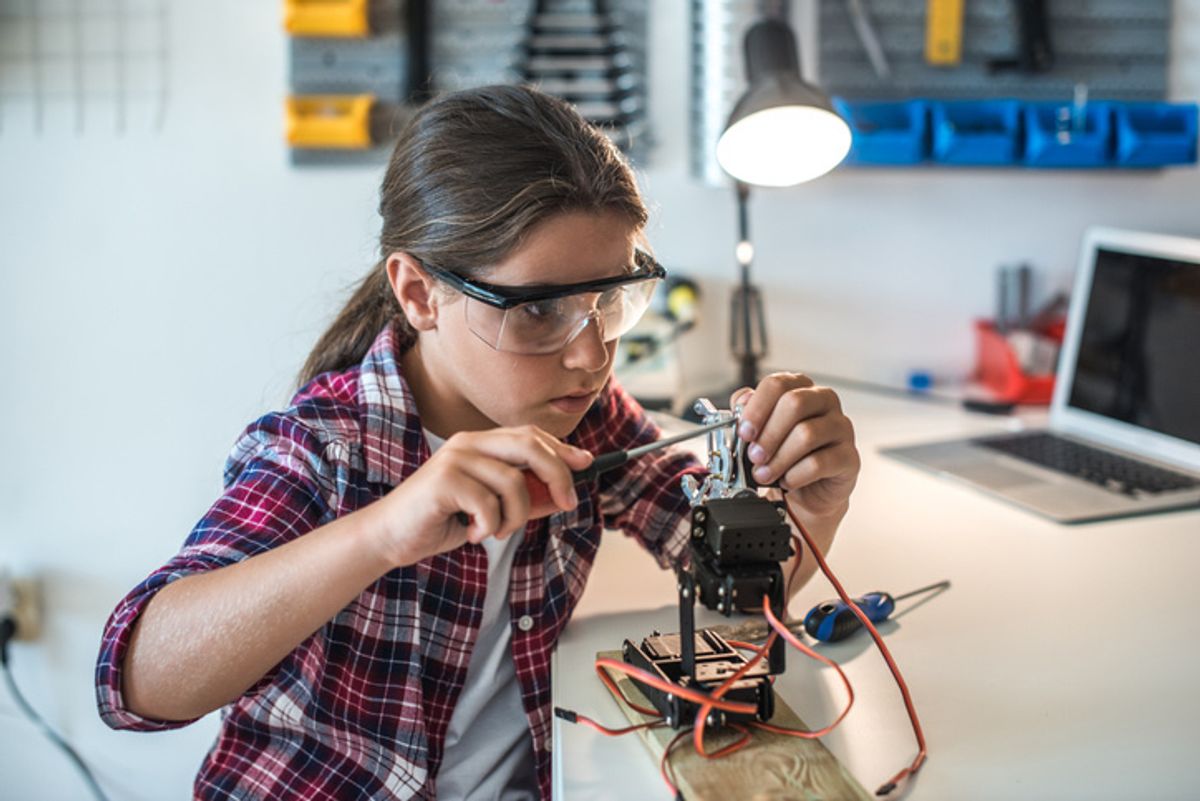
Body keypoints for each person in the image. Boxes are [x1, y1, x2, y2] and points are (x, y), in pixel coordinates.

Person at [95, 85, 860, 801]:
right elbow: (134, 684)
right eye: (538, 312)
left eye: (610, 300)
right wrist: (381, 532)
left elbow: (736, 588)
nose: (592, 354)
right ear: (420, 293)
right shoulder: (324, 446)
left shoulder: (585, 417)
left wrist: (815, 508)